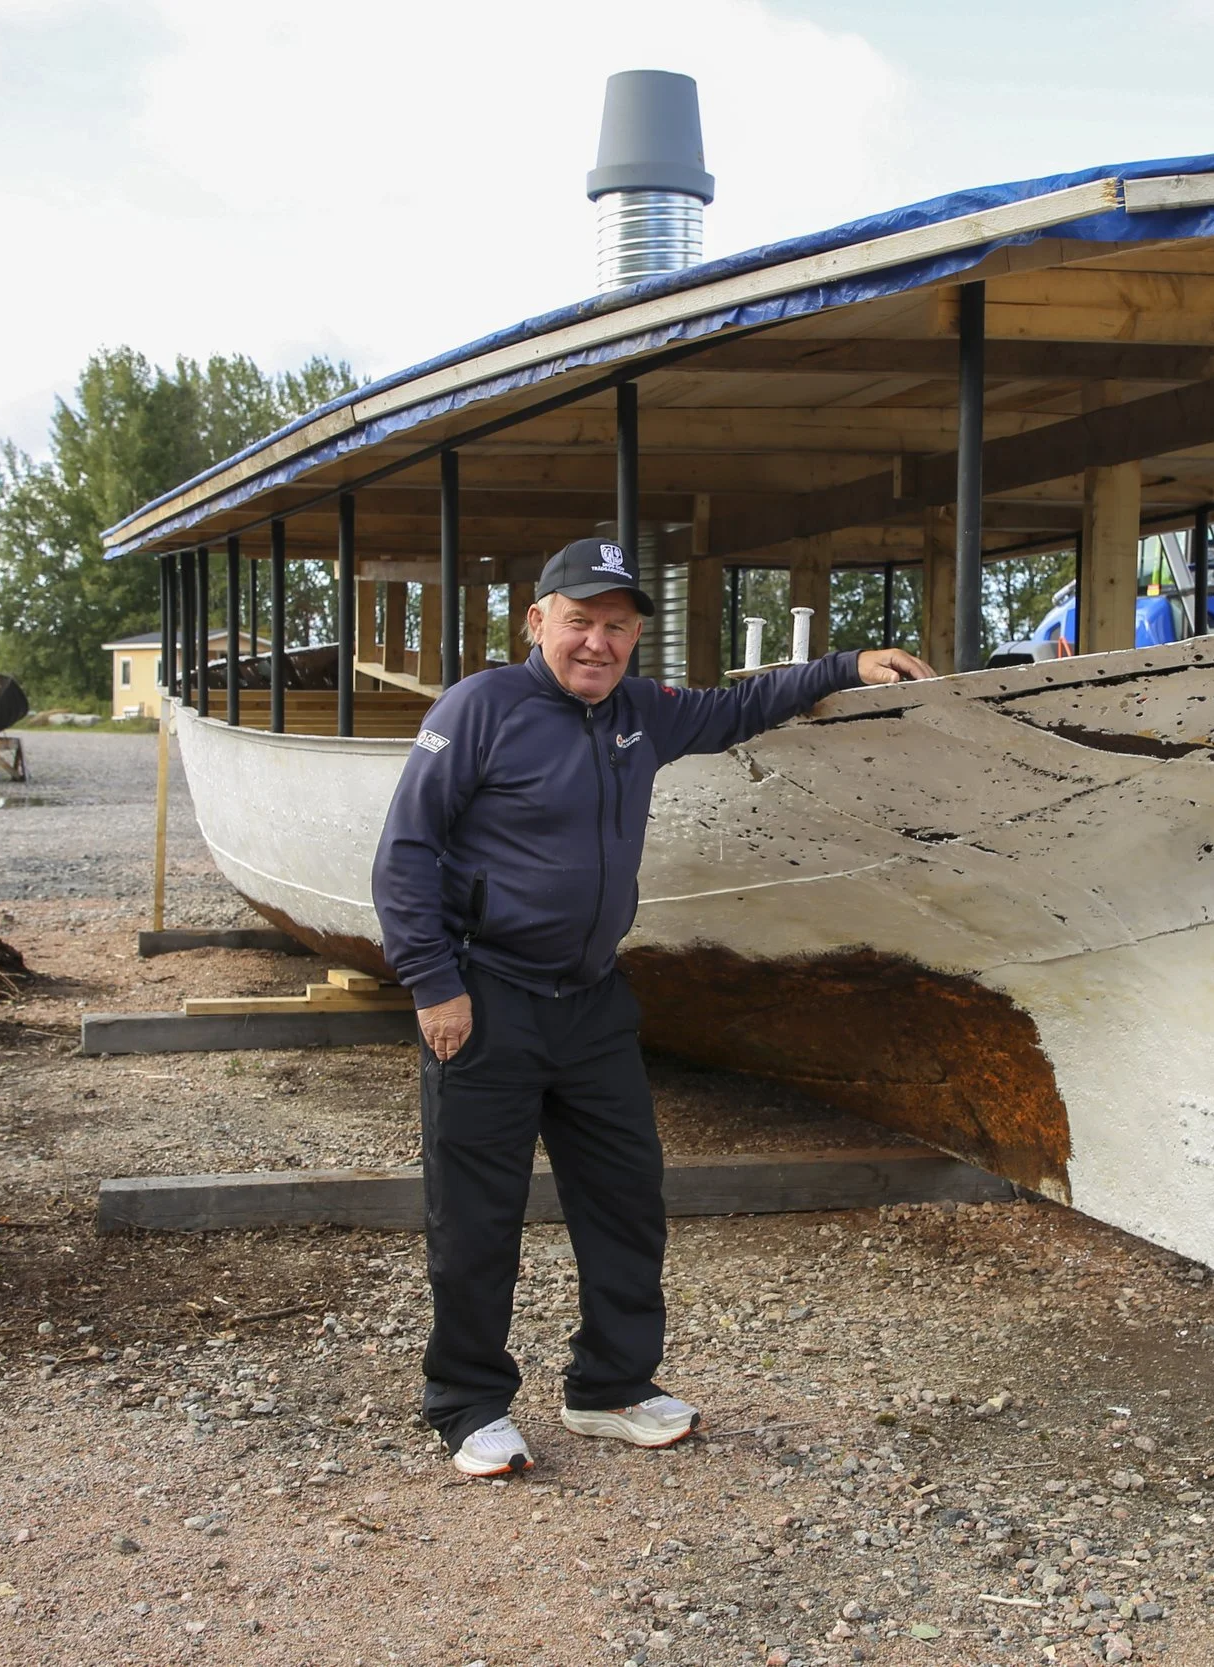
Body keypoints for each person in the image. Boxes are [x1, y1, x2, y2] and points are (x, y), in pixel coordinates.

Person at [372, 535, 936, 1477]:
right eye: (580, 622)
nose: (599, 642)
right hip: (488, 997)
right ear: (537, 621)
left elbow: (737, 706)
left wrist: (846, 665)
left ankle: (611, 1386)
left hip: (593, 1002)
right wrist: (435, 984)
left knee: (627, 1201)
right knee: (475, 1216)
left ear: (636, 637)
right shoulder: (479, 708)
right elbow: (406, 851)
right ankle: (468, 1403)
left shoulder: (641, 711)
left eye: (618, 626)